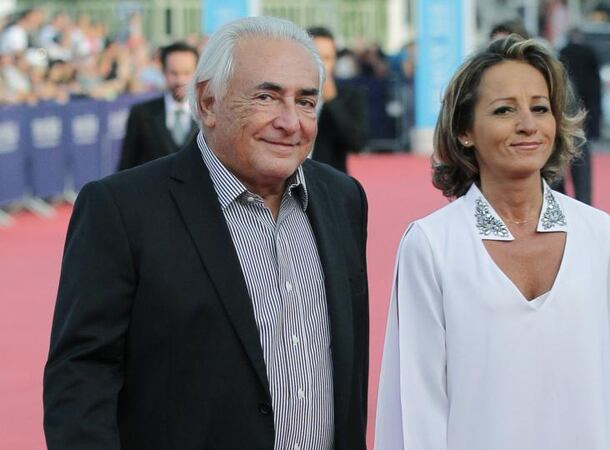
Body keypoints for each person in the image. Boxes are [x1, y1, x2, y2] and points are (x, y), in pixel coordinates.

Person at [44, 16, 370, 450]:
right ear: (209, 100)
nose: (291, 121)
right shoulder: (122, 208)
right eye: (267, 97)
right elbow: (81, 381)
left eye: (306, 102)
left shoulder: (342, 198)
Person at [375, 35, 610, 450]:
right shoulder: (431, 243)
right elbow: (416, 400)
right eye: (504, 111)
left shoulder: (597, 232)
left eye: (540, 108)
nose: (528, 126)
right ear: (465, 131)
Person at [117, 41, 199, 170]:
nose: (180, 80)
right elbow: (125, 167)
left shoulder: (208, 115)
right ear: (163, 71)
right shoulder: (141, 114)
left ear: (196, 73)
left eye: (187, 73)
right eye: (174, 73)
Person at [307, 26, 367, 173]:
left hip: (329, 183)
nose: (321, 65)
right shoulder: (286, 97)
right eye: (315, 57)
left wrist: (333, 102)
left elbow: (357, 143)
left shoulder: (349, 95)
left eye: (327, 58)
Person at [552, 27, 601, 205]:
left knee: (558, 175)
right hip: (580, 117)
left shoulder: (561, 55)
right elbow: (596, 89)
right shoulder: (589, 53)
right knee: (580, 176)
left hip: (568, 117)